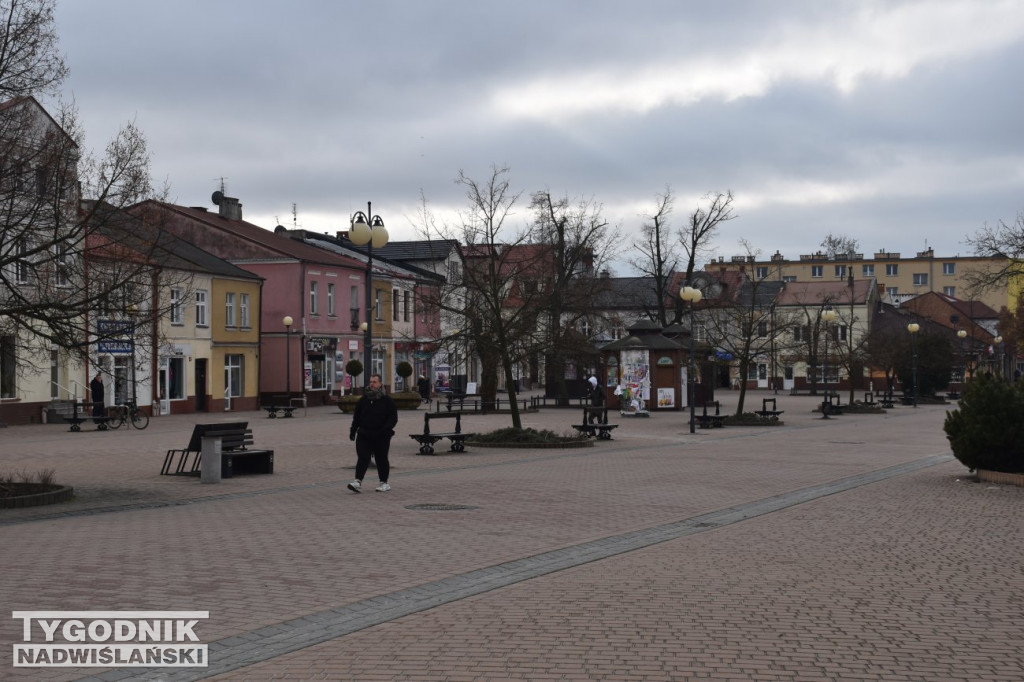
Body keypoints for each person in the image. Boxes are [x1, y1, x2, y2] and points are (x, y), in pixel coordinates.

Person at [348, 373, 398, 493]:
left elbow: (393, 418)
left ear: (380, 384)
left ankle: (384, 482)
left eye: (374, 382)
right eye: (370, 382)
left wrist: (385, 430)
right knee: (363, 457)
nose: (372, 384)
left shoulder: (387, 400)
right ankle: (357, 482)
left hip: (381, 435)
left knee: (381, 458)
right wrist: (353, 430)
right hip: (364, 434)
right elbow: (357, 417)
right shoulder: (363, 400)